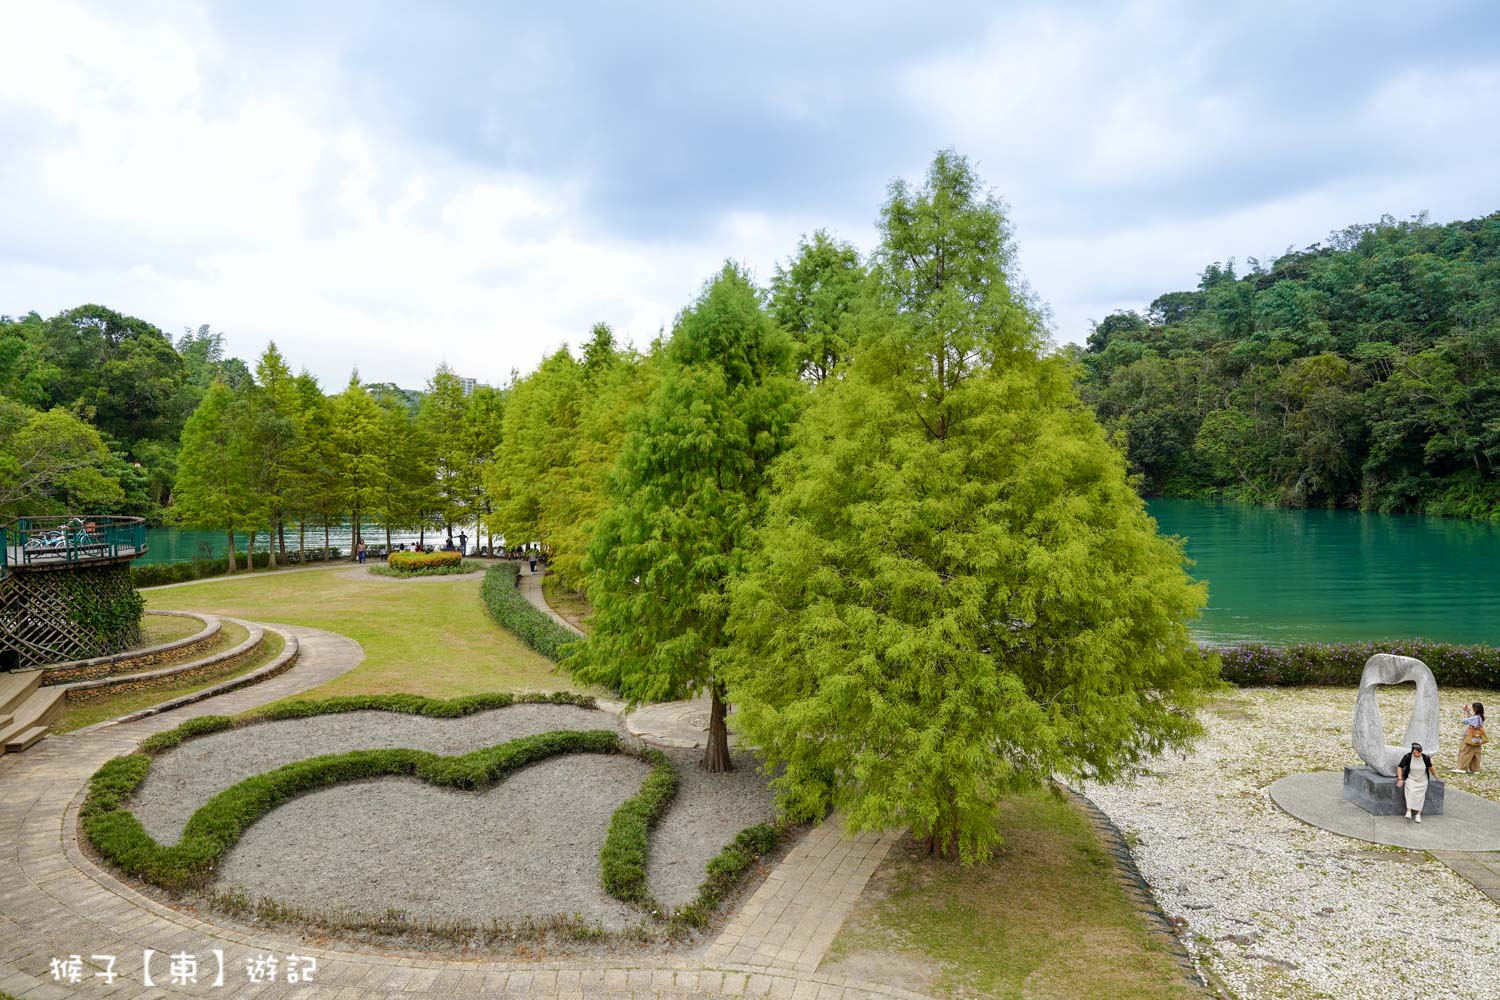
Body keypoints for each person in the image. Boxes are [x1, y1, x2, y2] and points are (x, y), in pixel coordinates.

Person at [1396, 742, 1435, 822]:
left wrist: (1435, 775)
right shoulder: (1408, 757)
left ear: (1421, 751)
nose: (1416, 754)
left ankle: (1418, 814)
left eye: (1418, 753)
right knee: (1410, 792)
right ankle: (1409, 811)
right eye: (1414, 753)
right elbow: (1400, 767)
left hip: (1422, 780)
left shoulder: (1425, 758)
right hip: (1411, 778)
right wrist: (1400, 779)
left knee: (1420, 796)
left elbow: (1430, 767)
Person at [1454, 702, 1487, 774]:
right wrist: (1468, 711)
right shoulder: (1481, 717)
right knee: (1476, 753)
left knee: (1465, 751)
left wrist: (1465, 713)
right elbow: (1472, 719)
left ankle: (1462, 768)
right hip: (1478, 738)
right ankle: (1475, 769)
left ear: (1476, 709)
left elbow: (1464, 721)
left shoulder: (1475, 717)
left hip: (1470, 737)